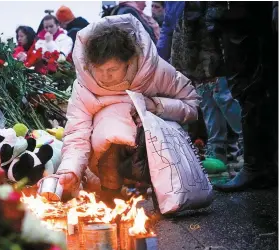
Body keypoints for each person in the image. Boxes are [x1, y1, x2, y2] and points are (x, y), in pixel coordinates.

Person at [53, 14, 200, 201]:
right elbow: (76, 133)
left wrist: (156, 106)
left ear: (128, 62)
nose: (104, 77)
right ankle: (111, 194)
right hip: (105, 156)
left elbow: (192, 104)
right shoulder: (84, 86)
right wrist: (70, 170)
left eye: (112, 70)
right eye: (99, 70)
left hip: (158, 149)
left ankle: (163, 194)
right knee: (112, 127)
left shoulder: (154, 72)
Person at [206, 1, 278, 191]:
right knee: (253, 87)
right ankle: (263, 166)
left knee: (249, 87)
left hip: (240, 16)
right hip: (239, 16)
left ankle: (256, 167)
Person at [170, 1, 243, 176]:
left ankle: (250, 150)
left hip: (215, 53)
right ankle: (218, 154)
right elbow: (176, 28)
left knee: (224, 99)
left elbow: (218, 15)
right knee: (209, 104)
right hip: (196, 59)